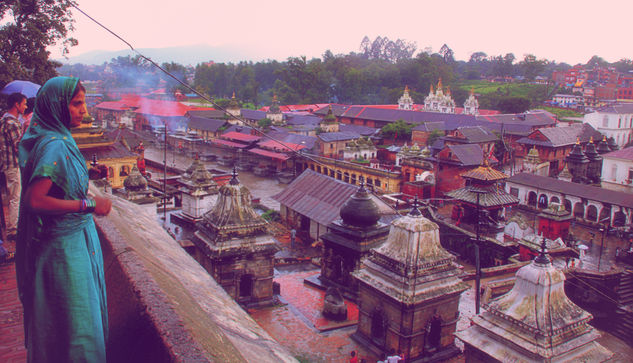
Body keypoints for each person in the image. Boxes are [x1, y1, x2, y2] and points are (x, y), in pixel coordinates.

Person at [16, 77, 112, 362]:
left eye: (83, 103)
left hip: (72, 244)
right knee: (79, 327)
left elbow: (57, 179)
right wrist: (90, 204)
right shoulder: (54, 144)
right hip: (65, 251)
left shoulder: (57, 136)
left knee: (65, 325)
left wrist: (89, 174)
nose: (84, 111)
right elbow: (34, 200)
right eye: (76, 104)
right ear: (58, 107)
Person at [1, 92, 27, 240]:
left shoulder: (5, 120)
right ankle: (13, 229)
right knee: (15, 197)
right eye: (23, 103)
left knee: (15, 195)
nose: (25, 106)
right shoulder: (11, 123)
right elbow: (19, 146)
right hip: (13, 164)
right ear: (17, 105)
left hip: (8, 164)